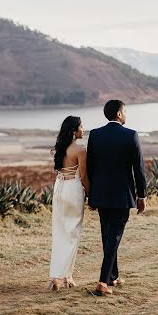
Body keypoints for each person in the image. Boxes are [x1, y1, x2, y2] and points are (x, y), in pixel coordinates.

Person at [87, 100, 147, 296]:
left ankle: (113, 277)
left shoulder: (95, 135)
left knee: (108, 236)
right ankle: (103, 282)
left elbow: (91, 167)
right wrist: (142, 196)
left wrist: (91, 194)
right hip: (122, 195)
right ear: (120, 115)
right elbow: (138, 169)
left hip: (101, 195)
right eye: (125, 111)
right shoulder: (131, 135)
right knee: (113, 237)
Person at [48, 116, 90, 291]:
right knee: (72, 233)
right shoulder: (80, 150)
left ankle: (55, 278)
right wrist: (90, 194)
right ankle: (66, 277)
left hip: (59, 188)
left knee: (59, 232)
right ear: (74, 131)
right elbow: (84, 177)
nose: (83, 129)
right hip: (72, 189)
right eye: (81, 126)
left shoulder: (60, 148)